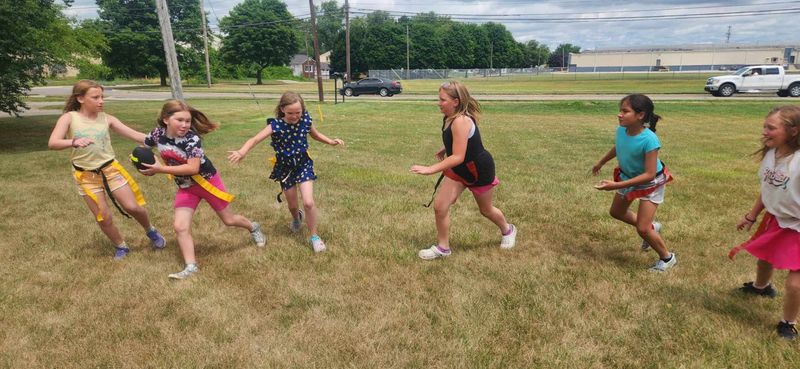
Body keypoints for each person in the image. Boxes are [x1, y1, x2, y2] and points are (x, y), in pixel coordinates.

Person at [139, 100, 266, 279]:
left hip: (208, 183)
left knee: (229, 220)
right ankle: (191, 266)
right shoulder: (157, 134)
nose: (185, 125)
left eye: (188, 121)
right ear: (166, 119)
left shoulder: (192, 139)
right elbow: (143, 141)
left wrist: (160, 169)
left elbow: (193, 168)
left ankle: (253, 227)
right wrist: (112, 125)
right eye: (180, 120)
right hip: (186, 187)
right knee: (180, 226)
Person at [48, 80, 165, 260]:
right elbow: (53, 143)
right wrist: (73, 141)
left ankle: (151, 231)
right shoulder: (69, 118)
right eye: (95, 97)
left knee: (132, 206)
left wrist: (166, 142)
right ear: (80, 98)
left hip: (110, 169)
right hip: (85, 176)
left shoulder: (107, 118)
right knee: (103, 216)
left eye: (102, 97)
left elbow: (136, 136)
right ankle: (121, 246)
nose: (101, 101)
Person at [410, 81, 516, 260]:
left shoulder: (461, 121)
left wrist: (431, 169)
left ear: (456, 101)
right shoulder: (449, 116)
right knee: (440, 206)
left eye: (443, 100)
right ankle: (443, 248)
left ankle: (508, 230)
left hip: (479, 170)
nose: (439, 103)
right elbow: (459, 143)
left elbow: (458, 156)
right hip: (460, 170)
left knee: (486, 210)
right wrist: (445, 148)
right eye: (439, 99)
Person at [228, 92, 344, 253]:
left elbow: (315, 135)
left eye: (298, 112)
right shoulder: (276, 125)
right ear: (282, 109)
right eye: (290, 113)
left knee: (309, 202)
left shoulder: (306, 120)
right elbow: (254, 139)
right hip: (285, 168)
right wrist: (242, 151)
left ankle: (315, 237)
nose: (295, 116)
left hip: (303, 165)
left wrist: (331, 141)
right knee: (292, 205)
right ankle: (297, 218)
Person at [729, 105, 800, 341]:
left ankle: (788, 323)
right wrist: (752, 215)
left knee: (795, 283)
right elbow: (767, 189)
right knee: (765, 255)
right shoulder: (772, 153)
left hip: (798, 225)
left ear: (793, 131)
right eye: (764, 126)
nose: (765, 131)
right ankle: (762, 287)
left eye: (771, 127)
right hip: (777, 219)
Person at [592, 93, 675, 272]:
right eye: (620, 111)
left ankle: (667, 258)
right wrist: (601, 162)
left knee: (643, 229)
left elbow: (649, 174)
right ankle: (654, 228)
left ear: (640, 115)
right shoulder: (621, 130)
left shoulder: (650, 139)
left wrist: (615, 185)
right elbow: (619, 146)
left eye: (625, 111)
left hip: (650, 183)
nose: (619, 114)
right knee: (616, 212)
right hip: (628, 178)